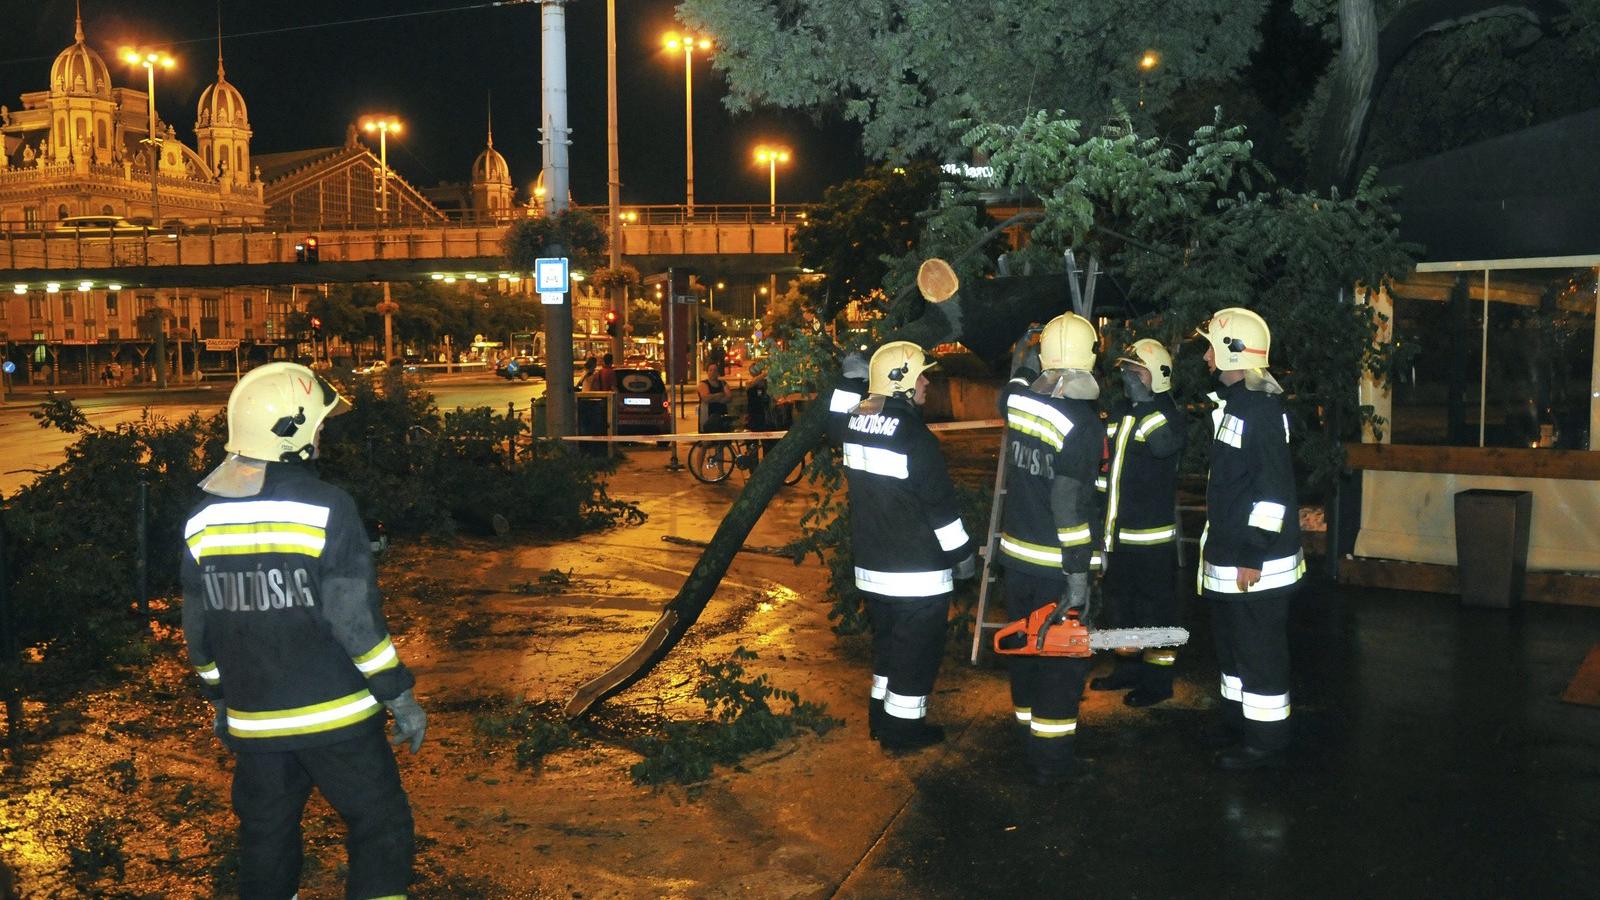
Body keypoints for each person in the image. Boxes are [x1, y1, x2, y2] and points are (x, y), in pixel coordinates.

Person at [181, 362, 426, 899]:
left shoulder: (201, 519)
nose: (322, 435)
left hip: (255, 725)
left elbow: (197, 630)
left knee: (266, 837)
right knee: (380, 825)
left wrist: (220, 698)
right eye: (318, 425)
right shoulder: (327, 507)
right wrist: (400, 697)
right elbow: (353, 619)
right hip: (337, 720)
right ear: (293, 432)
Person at [836, 341, 975, 752]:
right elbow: (941, 512)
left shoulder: (853, 424)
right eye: (921, 375)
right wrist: (964, 557)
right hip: (918, 576)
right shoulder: (916, 438)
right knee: (915, 657)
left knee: (888, 650)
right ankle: (903, 732)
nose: (927, 382)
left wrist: (848, 379)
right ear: (901, 384)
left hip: (873, 570)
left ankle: (880, 718)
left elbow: (832, 417)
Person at [995, 313, 1104, 785]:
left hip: (1016, 561)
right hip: (1056, 570)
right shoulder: (1082, 425)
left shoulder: (1020, 404)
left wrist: (1021, 363)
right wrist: (1078, 575)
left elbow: (1009, 392)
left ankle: (1026, 739)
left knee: (1026, 651)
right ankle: (1053, 765)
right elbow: (1068, 504)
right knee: (1061, 664)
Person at [1197, 308, 1304, 770]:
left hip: (1255, 565)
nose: (1205, 355)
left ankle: (1266, 743)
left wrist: (1252, 555)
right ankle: (1240, 725)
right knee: (1236, 650)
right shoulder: (1240, 404)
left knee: (1259, 655)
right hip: (1235, 559)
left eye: (1211, 346)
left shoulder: (1258, 410)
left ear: (1231, 352)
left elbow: (1272, 494)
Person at [1091, 338, 1187, 707]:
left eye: (1135, 371)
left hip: (1150, 540)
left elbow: (1165, 446)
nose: (1127, 377)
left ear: (1154, 376)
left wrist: (1146, 404)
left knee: (1155, 612)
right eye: (1126, 371)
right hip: (1117, 535)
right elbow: (1107, 469)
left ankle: (1158, 682)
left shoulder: (1164, 414)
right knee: (1120, 608)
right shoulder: (1120, 412)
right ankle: (1127, 669)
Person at [698, 363, 732, 432]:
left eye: (715, 370)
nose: (713, 372)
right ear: (707, 372)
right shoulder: (703, 384)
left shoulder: (723, 383)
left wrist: (712, 397)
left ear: (718, 372)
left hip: (722, 416)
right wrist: (719, 395)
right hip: (707, 416)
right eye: (710, 370)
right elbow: (706, 398)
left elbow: (729, 397)